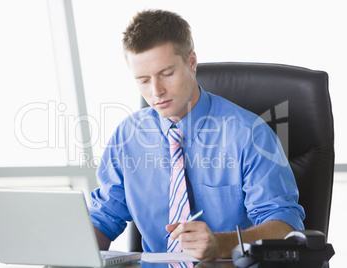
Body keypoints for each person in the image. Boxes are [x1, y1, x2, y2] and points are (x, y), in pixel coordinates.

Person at [89, 9, 305, 261]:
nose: (156, 91)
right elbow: (104, 217)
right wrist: (66, 251)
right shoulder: (128, 136)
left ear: (191, 62)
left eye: (166, 73)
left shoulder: (249, 134)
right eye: (143, 80)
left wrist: (222, 243)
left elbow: (286, 227)